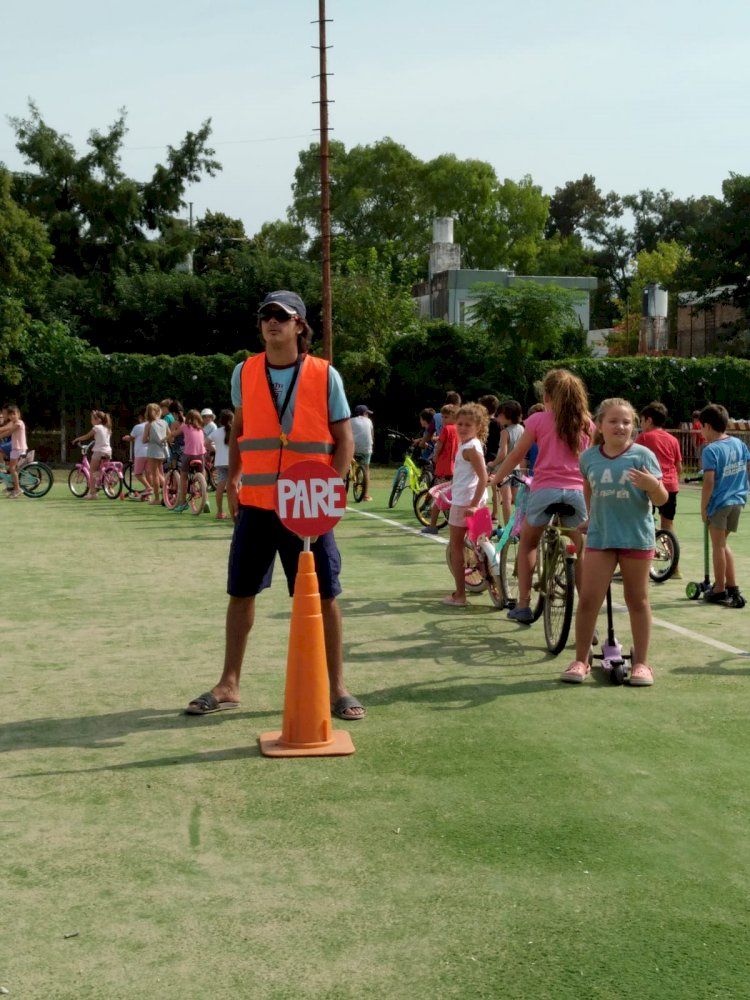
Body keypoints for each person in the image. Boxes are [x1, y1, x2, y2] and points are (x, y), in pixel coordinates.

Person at [184, 289, 364, 721]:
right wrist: (235, 478)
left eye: (282, 317)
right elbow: (242, 431)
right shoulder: (243, 372)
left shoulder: (325, 375)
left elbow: (345, 442)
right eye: (266, 316)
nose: (272, 323)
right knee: (241, 593)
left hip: (307, 508)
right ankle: (229, 684)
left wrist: (329, 494)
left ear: (300, 325)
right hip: (258, 505)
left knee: (324, 595)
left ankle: (338, 689)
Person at [563, 397, 667, 686]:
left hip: (636, 538)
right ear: (600, 424)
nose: (620, 426)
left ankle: (642, 664)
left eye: (626, 421)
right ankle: (581, 660)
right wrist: (590, 515)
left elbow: (661, 499)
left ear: (633, 426)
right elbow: (588, 486)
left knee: (637, 599)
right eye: (613, 421)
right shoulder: (589, 457)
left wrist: (652, 485)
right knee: (588, 600)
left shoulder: (643, 455)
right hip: (601, 538)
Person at [490, 369, 594, 624]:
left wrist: (496, 478)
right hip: (578, 493)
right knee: (578, 553)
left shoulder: (538, 421)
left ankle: (524, 604)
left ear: (547, 396)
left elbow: (515, 456)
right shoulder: (587, 423)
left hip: (544, 489)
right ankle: (586, 617)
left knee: (528, 543)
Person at [699, 403, 750, 606]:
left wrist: (703, 508)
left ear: (708, 426)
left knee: (718, 546)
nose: (701, 432)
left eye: (701, 427)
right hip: (738, 500)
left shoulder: (711, 450)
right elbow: (746, 469)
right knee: (723, 544)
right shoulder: (739, 444)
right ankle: (731, 585)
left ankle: (720, 588)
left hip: (720, 502)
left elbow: (709, 481)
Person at [443, 402, 489, 607]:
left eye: (467, 425)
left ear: (478, 426)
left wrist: (472, 503)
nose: (461, 427)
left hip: (465, 503)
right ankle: (489, 579)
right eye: (459, 423)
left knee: (456, 547)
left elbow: (483, 476)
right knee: (479, 543)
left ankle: (460, 595)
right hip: (470, 499)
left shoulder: (470, 447)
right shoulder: (472, 444)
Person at [635, 401, 683, 577]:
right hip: (671, 485)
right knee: (668, 524)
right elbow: (678, 466)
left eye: (641, 421)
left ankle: (635, 565)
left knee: (639, 521)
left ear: (648, 420)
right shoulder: (673, 439)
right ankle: (675, 567)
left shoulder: (645, 438)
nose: (641, 425)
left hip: (652, 485)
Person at [421, 403, 458, 535]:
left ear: (454, 417)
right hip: (455, 468)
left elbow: (439, 445)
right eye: (442, 417)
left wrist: (435, 456)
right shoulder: (459, 429)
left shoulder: (446, 429)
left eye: (446, 417)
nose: (443, 420)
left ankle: (433, 526)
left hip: (443, 468)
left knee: (438, 497)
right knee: (453, 497)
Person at [488, 400, 524, 526]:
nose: (498, 417)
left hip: (504, 469)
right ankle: (519, 526)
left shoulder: (505, 432)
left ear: (507, 415)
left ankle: (508, 528)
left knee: (506, 499)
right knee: (517, 500)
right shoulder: (521, 429)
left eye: (500, 414)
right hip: (517, 469)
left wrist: (492, 464)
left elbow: (503, 453)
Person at [170, 409, 208, 513]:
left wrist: (165, 438)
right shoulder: (201, 429)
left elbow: (174, 434)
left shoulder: (184, 426)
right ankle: (206, 499)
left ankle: (183, 503)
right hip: (201, 455)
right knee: (202, 472)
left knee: (183, 477)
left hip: (189, 455)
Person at [73, 410, 112, 500]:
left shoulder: (97, 427)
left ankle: (93, 493)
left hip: (99, 451)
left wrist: (77, 439)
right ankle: (110, 489)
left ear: (98, 420)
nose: (91, 421)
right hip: (108, 451)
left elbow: (87, 436)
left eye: (92, 419)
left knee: (92, 471)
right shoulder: (107, 428)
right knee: (105, 470)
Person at [207, 409, 233, 520]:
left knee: (220, 488)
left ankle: (219, 512)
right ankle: (234, 511)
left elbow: (205, 443)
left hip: (220, 462)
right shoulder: (236, 430)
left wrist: (215, 450)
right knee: (235, 486)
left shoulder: (216, 432)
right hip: (233, 462)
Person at [122, 407, 151, 500]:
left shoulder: (137, 427)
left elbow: (131, 437)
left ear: (140, 417)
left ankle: (148, 487)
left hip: (140, 453)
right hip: (150, 453)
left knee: (138, 473)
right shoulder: (152, 425)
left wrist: (127, 437)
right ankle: (148, 494)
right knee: (148, 473)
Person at [142, 402, 169, 504]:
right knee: (160, 473)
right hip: (162, 450)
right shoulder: (164, 423)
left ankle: (157, 498)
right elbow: (170, 436)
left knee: (155, 475)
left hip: (152, 451)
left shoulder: (149, 425)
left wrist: (152, 439)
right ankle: (168, 491)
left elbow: (144, 440)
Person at [0, 405, 27, 498]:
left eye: (14, 414)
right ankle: (12, 487)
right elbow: (4, 430)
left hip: (19, 449)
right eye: (10, 415)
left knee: (12, 469)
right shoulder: (14, 422)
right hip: (15, 449)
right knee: (11, 468)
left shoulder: (19, 423)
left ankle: (17, 489)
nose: (12, 417)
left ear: (18, 414)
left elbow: (8, 432)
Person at [350, 404, 375, 501]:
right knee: (367, 469)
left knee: (349, 463)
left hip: (354, 448)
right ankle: (365, 495)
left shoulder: (350, 421)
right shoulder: (369, 421)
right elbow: (372, 436)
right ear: (364, 413)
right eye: (367, 413)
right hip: (366, 449)